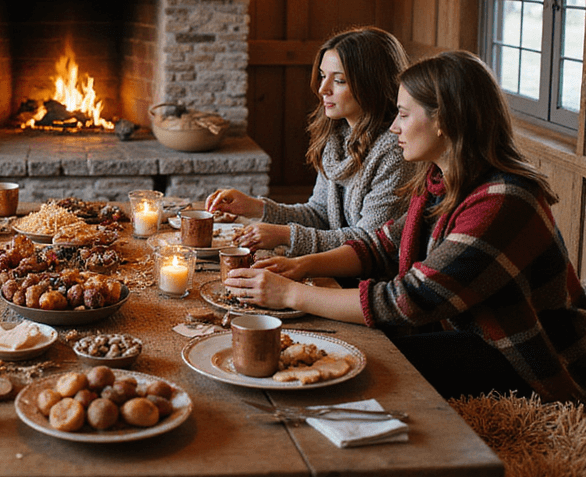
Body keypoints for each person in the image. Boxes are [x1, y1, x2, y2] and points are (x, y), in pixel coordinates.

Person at [226, 50, 586, 401]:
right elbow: (381, 245)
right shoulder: (441, 179)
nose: (394, 127)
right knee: (345, 349)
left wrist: (290, 294)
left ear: (443, 119)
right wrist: (300, 266)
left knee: (362, 365)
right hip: (466, 330)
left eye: (402, 114)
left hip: (525, 351)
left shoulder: (504, 201)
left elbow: (410, 299)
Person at [207, 26, 411, 256]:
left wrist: (285, 235)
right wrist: (255, 208)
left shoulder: (397, 151)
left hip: (367, 283)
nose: (322, 89)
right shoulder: (338, 137)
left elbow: (370, 243)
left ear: (372, 83)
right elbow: (320, 214)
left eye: (340, 80)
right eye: (323, 76)